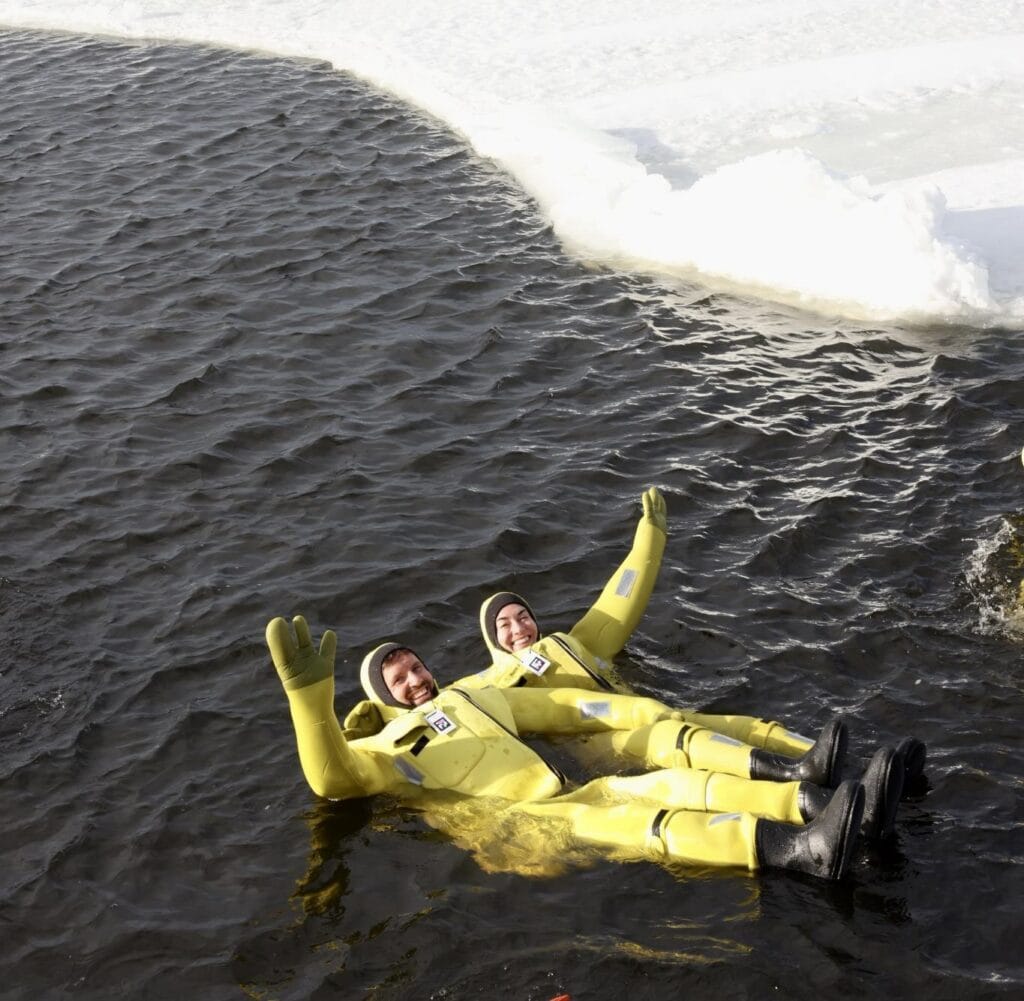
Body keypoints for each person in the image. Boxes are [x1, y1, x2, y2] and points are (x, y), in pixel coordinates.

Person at [266, 614, 904, 882]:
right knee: (635, 820)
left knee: (664, 783)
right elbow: (333, 780)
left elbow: (563, 707)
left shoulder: (468, 698)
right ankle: (798, 854)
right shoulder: (385, 750)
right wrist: (308, 704)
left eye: (414, 665)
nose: (414, 678)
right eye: (398, 677)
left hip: (563, 794)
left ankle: (813, 806)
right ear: (383, 695)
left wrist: (645, 711)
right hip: (514, 828)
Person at [470, 487, 926, 784]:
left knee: (746, 728)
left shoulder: (576, 645)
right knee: (684, 743)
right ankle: (801, 782)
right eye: (504, 625)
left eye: (522, 617)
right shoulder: (491, 689)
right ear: (493, 640)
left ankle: (858, 768)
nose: (518, 628)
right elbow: (442, 712)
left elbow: (623, 592)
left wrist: (651, 535)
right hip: (608, 749)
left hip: (656, 718)